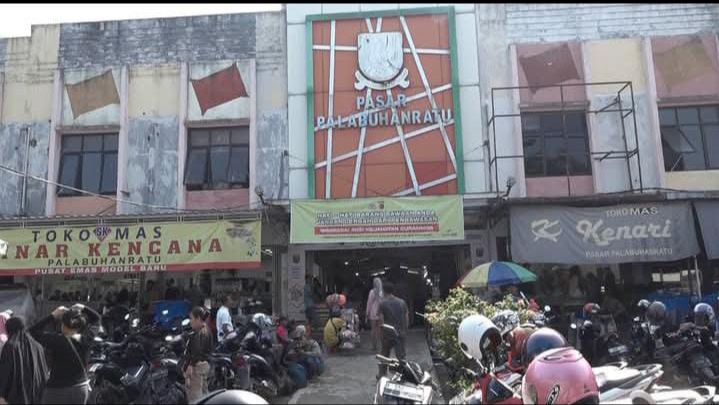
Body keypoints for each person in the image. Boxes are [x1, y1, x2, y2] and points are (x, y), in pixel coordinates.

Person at [29, 304, 100, 404]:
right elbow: (96, 319)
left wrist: (53, 315)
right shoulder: (87, 338)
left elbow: (32, 332)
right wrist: (83, 307)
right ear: (79, 326)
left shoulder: (56, 340)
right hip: (80, 388)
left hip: (56, 390)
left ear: (62, 325)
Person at [0, 317, 49, 405]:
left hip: (15, 398)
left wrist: (2, 395)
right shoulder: (38, 346)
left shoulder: (10, 346)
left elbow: (5, 373)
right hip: (37, 396)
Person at [377, 282, 409, 379]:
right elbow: (406, 317)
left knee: (384, 355)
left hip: (388, 333)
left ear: (384, 291)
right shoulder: (402, 302)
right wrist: (405, 330)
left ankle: (382, 375)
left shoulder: (382, 303)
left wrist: (381, 333)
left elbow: (381, 320)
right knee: (401, 357)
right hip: (400, 333)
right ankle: (403, 375)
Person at [184, 307, 213, 404]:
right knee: (204, 396)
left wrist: (190, 366)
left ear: (198, 319)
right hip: (204, 366)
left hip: (197, 367)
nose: (190, 321)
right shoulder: (206, 330)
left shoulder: (200, 332)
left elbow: (197, 352)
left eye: (191, 318)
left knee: (195, 399)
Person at [366, 277, 384, 351]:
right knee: (380, 330)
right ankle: (382, 345)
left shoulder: (372, 292)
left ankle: (374, 346)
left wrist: (367, 313)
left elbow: (369, 303)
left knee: (373, 330)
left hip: (373, 312)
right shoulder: (382, 292)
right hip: (380, 313)